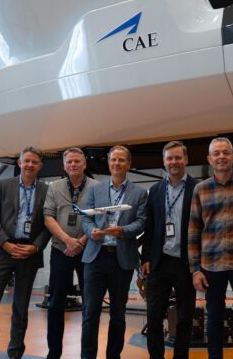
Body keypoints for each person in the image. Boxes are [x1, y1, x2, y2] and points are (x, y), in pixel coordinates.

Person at [0, 146, 51, 359]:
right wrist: (5, 243)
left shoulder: (47, 191)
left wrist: (36, 246)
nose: (30, 165)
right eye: (27, 161)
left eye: (35, 162)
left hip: (29, 254)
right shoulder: (3, 185)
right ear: (19, 163)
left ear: (40, 166)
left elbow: (48, 224)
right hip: (2, 252)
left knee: (21, 306)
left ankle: (15, 353)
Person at [188, 137, 233, 359]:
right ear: (209, 159)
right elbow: (193, 231)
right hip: (211, 265)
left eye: (225, 152)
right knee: (214, 318)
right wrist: (195, 270)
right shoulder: (200, 189)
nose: (221, 157)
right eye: (216, 153)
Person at [80, 145, 147, 359]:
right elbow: (85, 218)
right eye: (113, 160)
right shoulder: (96, 190)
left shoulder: (139, 193)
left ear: (129, 164)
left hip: (122, 259)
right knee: (90, 313)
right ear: (109, 163)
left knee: (118, 315)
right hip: (95, 257)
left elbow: (142, 222)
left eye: (121, 160)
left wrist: (123, 231)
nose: (117, 163)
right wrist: (91, 231)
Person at [141, 141, 198, 359]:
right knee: (154, 316)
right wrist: (146, 257)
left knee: (185, 317)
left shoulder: (197, 188)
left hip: (186, 262)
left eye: (178, 157)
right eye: (169, 158)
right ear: (164, 162)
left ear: (186, 160)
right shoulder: (155, 190)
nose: (174, 162)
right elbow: (150, 227)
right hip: (159, 261)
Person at [44, 147, 99, 358]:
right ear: (64, 165)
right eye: (69, 162)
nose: (73, 165)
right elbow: (48, 217)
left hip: (88, 251)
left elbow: (99, 218)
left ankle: (87, 354)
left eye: (77, 161)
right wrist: (67, 240)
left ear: (84, 164)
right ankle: (53, 353)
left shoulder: (96, 187)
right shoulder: (54, 187)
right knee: (55, 304)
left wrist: (81, 242)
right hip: (61, 250)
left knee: (90, 305)